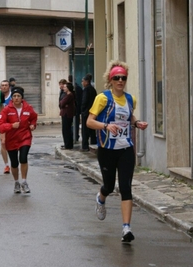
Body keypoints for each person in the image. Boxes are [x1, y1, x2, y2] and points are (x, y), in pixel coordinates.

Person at [86, 60, 148, 243]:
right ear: (111, 80)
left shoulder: (131, 99)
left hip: (126, 148)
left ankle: (126, 229)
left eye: (123, 78)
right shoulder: (103, 98)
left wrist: (137, 123)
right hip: (107, 149)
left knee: (126, 187)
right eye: (117, 78)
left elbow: (129, 117)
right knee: (109, 186)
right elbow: (90, 121)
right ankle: (101, 197)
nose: (120, 81)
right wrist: (106, 125)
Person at [0, 87, 37, 193]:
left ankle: (24, 182)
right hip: (12, 139)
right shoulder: (6, 110)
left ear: (22, 97)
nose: (16, 98)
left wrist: (33, 125)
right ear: (12, 98)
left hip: (25, 137)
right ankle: (16, 182)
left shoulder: (28, 108)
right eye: (14, 96)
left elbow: (34, 117)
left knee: (23, 158)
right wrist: (11, 126)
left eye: (18, 96)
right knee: (14, 163)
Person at [80, 74, 97, 151]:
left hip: (86, 112)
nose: (82, 83)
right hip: (92, 111)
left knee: (85, 130)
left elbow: (84, 101)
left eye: (83, 81)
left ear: (86, 82)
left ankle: (85, 146)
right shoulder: (93, 89)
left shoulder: (86, 89)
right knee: (92, 129)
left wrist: (82, 110)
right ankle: (93, 142)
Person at [0, 80, 12, 174]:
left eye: (6, 85)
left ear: (9, 87)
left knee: (13, 144)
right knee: (3, 143)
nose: (4, 87)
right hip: (2, 124)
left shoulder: (13, 96)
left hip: (13, 124)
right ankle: (6, 165)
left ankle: (14, 161)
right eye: (2, 85)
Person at [59, 82, 75, 149]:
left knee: (66, 130)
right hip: (65, 113)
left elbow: (62, 103)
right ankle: (67, 144)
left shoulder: (69, 95)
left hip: (67, 114)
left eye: (65, 87)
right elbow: (61, 103)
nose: (64, 88)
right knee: (66, 130)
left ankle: (68, 145)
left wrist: (64, 104)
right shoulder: (66, 95)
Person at [68, 75, 83, 143]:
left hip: (73, 109)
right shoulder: (79, 88)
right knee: (75, 123)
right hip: (77, 109)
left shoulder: (71, 88)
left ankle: (74, 136)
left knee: (72, 124)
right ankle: (75, 136)